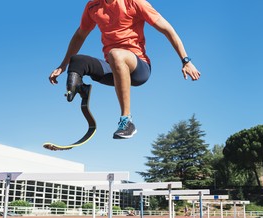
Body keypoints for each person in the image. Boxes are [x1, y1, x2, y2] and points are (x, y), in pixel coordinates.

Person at [49, 0, 201, 139]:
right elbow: (80, 35)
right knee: (77, 61)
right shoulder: (92, 6)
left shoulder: (135, 3)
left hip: (138, 68)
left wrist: (185, 60)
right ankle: (82, 90)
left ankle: (126, 121)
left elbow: (168, 30)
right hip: (114, 69)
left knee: (115, 54)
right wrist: (63, 65)